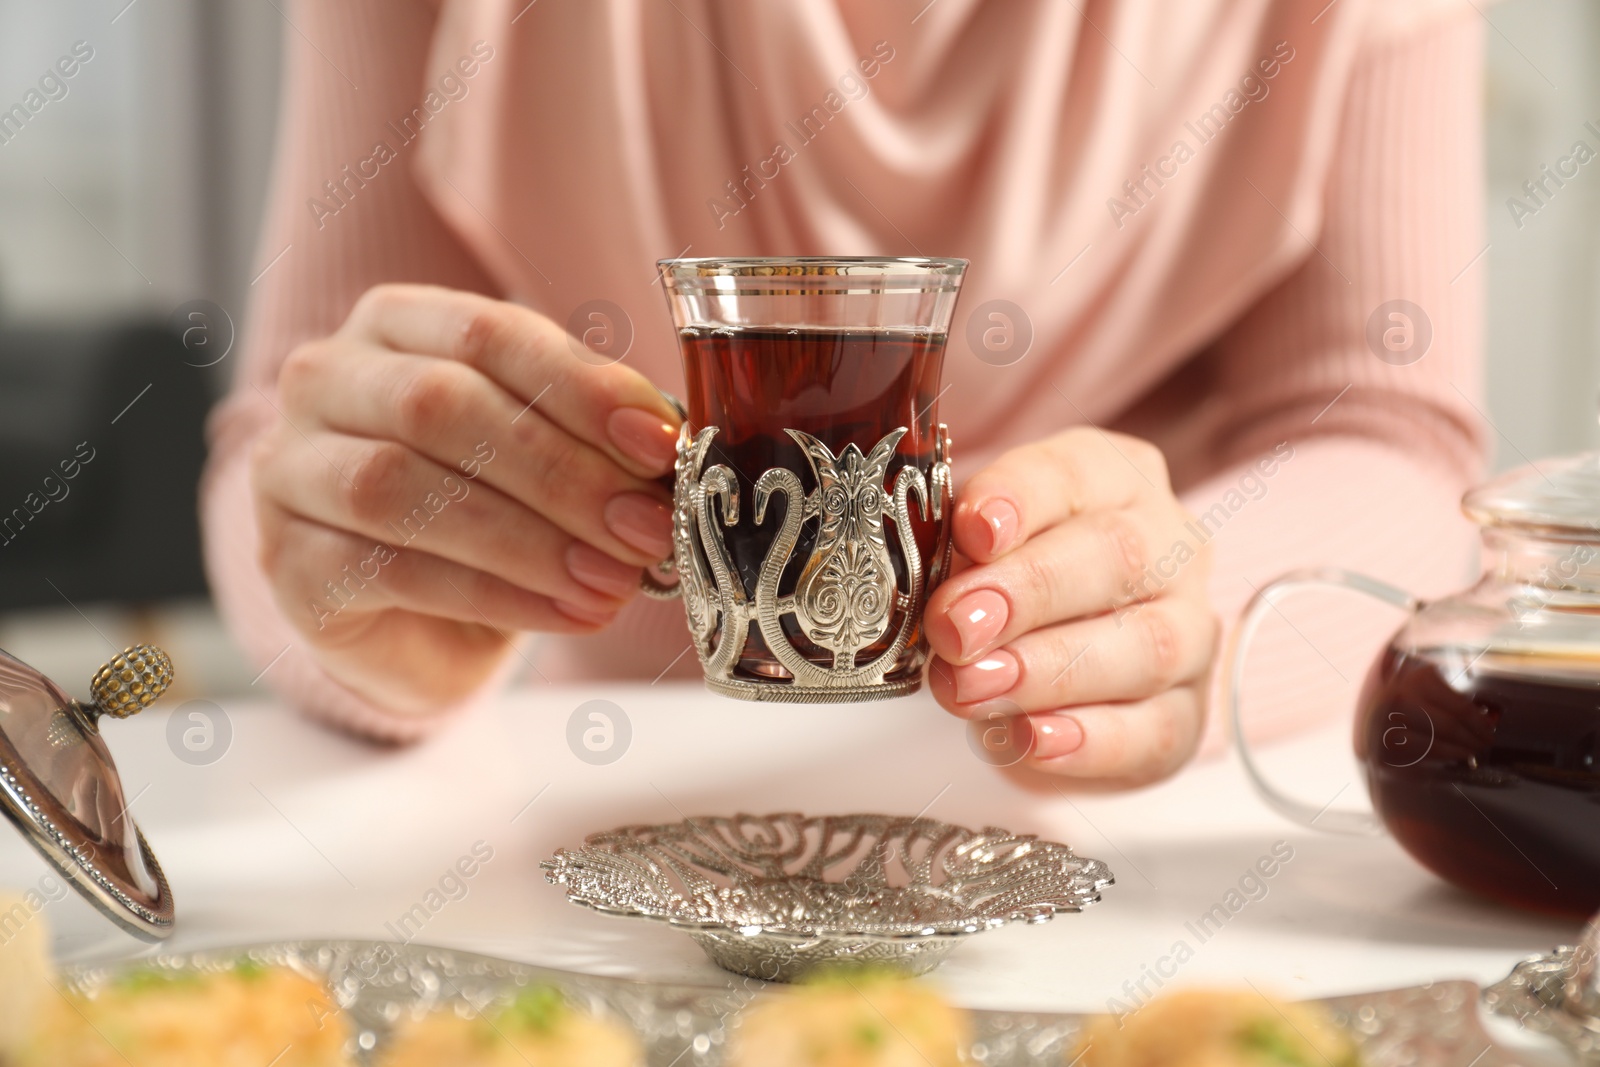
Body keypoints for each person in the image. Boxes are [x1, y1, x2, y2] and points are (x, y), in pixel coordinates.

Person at [202, 0, 1487, 788]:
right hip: (596, 814)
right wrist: (356, 605)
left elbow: (1392, 436)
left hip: (1123, 841)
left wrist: (1176, 610)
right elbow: (301, 422)